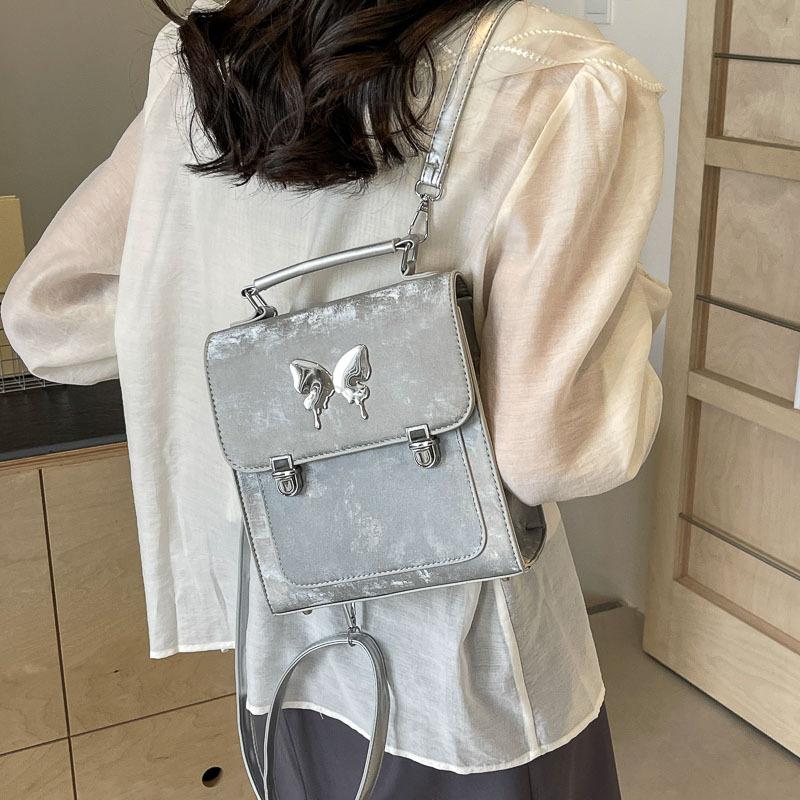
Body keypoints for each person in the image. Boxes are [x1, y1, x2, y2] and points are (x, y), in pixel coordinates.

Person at [2, 1, 671, 797]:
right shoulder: (559, 77)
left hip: (284, 632)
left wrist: (223, 329)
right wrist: (633, 314)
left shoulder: (211, 61)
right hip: (460, 663)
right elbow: (553, 452)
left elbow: (47, 315)